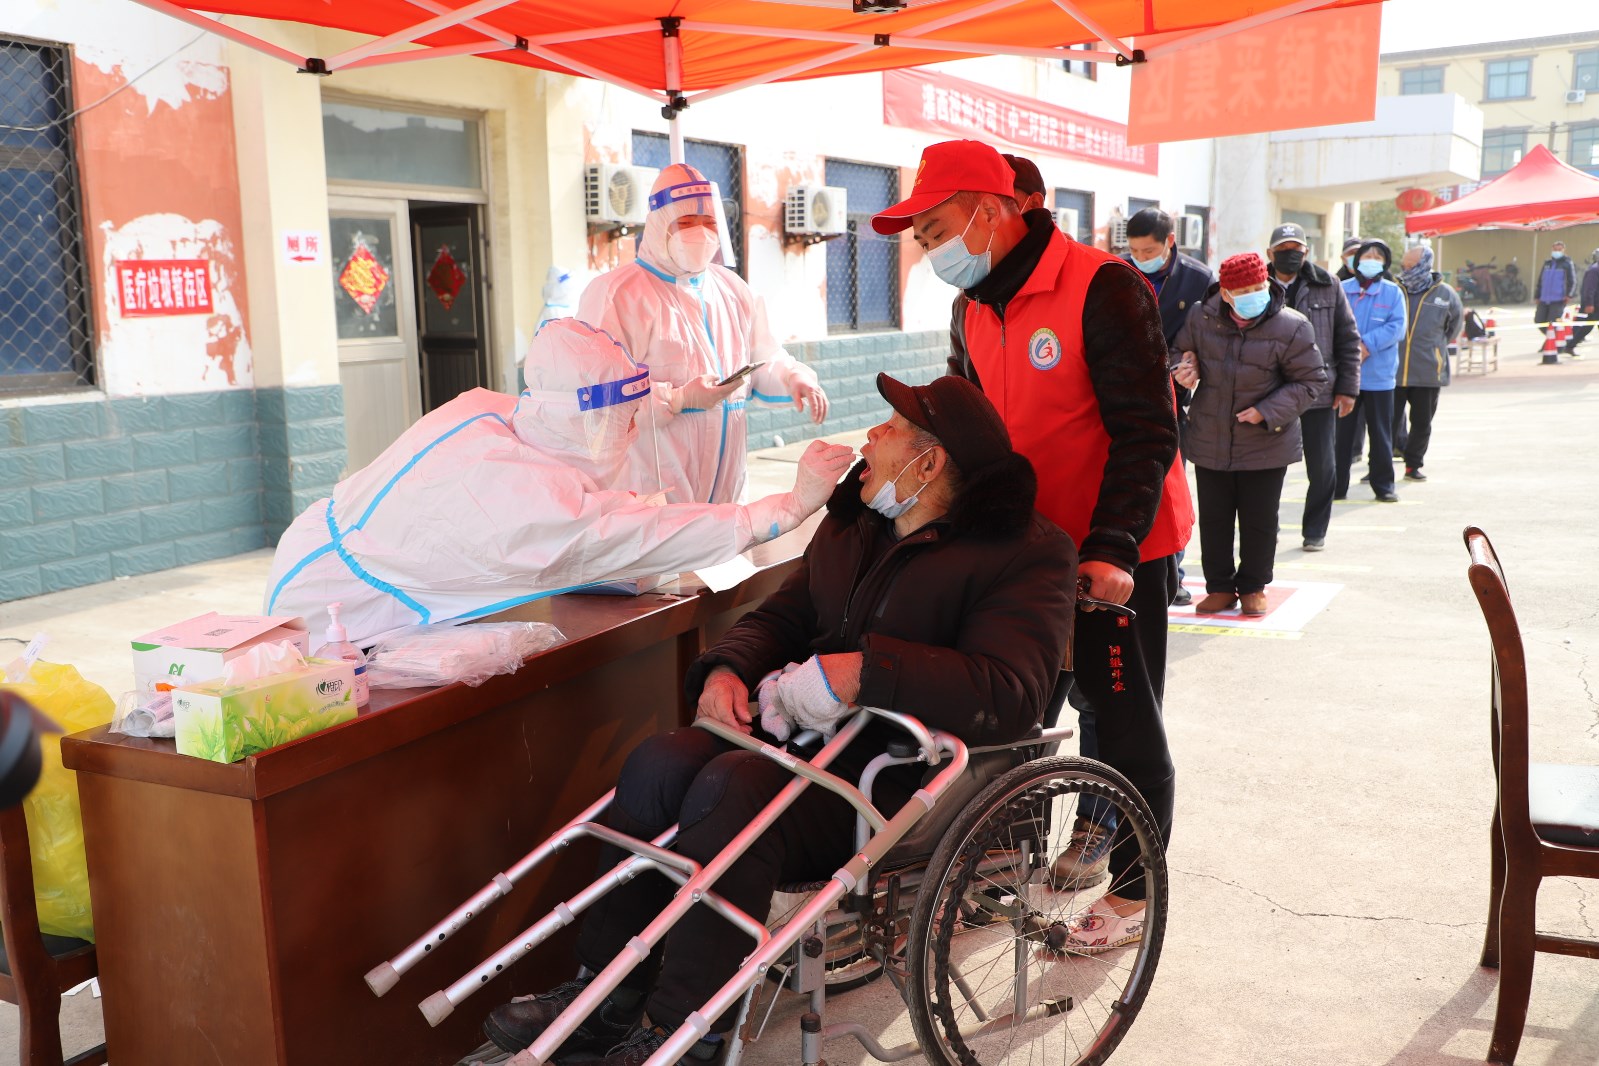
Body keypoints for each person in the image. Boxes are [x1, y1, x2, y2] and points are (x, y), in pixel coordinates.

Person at [479, 372, 1077, 1062]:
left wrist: (863, 671)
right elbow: (784, 617)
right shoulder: (857, 522)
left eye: (888, 429)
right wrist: (726, 669)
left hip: (904, 778)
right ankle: (602, 996)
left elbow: (1011, 693)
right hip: (805, 738)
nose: (869, 436)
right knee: (659, 762)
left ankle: (689, 1033)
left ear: (928, 462)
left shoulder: (1026, 552)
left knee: (733, 788)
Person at [875, 139, 1191, 950]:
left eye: (936, 229)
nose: (930, 250)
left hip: (1116, 547)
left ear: (991, 209)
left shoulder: (1102, 285)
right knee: (1012, 714)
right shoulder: (970, 307)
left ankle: (1133, 891)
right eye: (921, 238)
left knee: (1119, 718)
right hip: (1025, 548)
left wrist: (1113, 545)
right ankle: (998, 871)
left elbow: (1145, 429)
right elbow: (972, 428)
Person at [264, 319, 854, 646]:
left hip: (327, 556)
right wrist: (778, 511)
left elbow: (585, 409)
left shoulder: (497, 413)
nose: (632, 428)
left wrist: (674, 399)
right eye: (624, 419)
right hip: (337, 614)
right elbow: (631, 534)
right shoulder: (513, 498)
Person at [577, 164, 829, 506]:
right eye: (686, 222)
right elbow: (598, 399)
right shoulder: (616, 295)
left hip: (726, 494)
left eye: (709, 222)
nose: (701, 232)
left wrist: (791, 377)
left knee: (721, 536)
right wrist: (678, 399)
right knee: (666, 536)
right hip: (651, 494)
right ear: (659, 225)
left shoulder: (733, 290)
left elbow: (763, 359)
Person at [1171, 252, 1324, 615]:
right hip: (1210, 436)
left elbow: (1311, 381)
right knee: (1214, 519)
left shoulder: (1292, 326)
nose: (1254, 296)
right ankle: (1220, 587)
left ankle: (1254, 586)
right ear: (1225, 293)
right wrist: (1183, 368)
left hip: (1266, 442)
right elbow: (1178, 353)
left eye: (1259, 288)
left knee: (1259, 521)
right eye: (1244, 292)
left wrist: (1266, 411)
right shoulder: (1201, 317)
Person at [1123, 207, 1214, 601]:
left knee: (1170, 486)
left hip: (1173, 395)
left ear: (1170, 242)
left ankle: (1173, 574)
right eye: (1134, 251)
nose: (1140, 258)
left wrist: (1192, 362)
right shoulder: (1117, 270)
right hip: (1122, 393)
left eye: (1148, 251)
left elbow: (1210, 334)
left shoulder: (1199, 279)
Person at [1263, 222, 1359, 553]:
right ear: (1270, 253)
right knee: (1267, 468)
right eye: (1283, 250)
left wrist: (1348, 388)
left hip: (1317, 391)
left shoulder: (1328, 284)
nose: (1290, 255)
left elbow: (1348, 338)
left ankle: (1315, 530)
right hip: (1269, 394)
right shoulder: (1256, 286)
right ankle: (1267, 527)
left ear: (1306, 252)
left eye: (1297, 250)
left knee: (1323, 468)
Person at [946, 151, 1047, 374]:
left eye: (1002, 201)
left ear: (1035, 204)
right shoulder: (966, 303)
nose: (988, 215)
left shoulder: (1088, 283)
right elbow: (957, 383)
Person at [1336, 239, 1407, 504]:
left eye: (1378, 256)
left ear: (1385, 263)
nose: (1372, 260)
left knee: (1380, 434)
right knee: (1341, 435)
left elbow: (1397, 327)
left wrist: (1366, 344)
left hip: (1379, 376)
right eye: (1367, 255)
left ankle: (1383, 485)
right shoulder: (1342, 289)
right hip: (1346, 375)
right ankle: (1336, 485)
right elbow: (1334, 323)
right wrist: (1351, 347)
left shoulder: (1392, 292)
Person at [1391, 244, 1463, 482]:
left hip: (1428, 371)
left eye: (1411, 265)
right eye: (1404, 265)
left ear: (1424, 265)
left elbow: (1453, 327)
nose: (1406, 269)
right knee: (1387, 422)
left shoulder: (1445, 294)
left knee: (1421, 423)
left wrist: (1434, 347)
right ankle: (1379, 467)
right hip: (1393, 371)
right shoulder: (1394, 289)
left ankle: (1413, 465)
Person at [1533, 240, 1577, 336]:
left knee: (1553, 323)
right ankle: (1553, 338)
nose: (1557, 251)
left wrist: (1569, 295)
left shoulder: (1567, 264)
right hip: (1544, 299)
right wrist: (1537, 296)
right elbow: (1540, 280)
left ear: (1564, 250)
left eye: (1559, 250)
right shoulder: (1547, 263)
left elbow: (1573, 281)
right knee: (1539, 320)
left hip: (1558, 299)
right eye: (1555, 249)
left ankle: (1552, 341)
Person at [1572, 248, 1599, 355]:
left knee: (1588, 326)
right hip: (1595, 304)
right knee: (1587, 326)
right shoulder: (1594, 270)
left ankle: (1570, 345)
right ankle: (1570, 345)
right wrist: (1589, 303)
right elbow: (1589, 288)